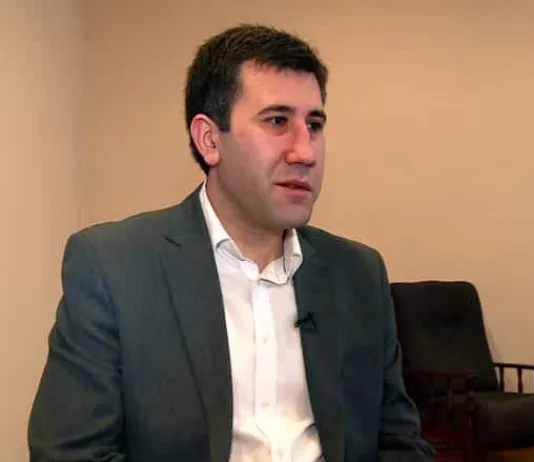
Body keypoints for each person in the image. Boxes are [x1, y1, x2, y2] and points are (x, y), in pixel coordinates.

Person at [28, 23, 434, 462]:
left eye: (314, 125)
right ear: (209, 140)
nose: (306, 152)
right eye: (277, 121)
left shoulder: (359, 273)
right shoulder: (113, 268)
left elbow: (400, 443)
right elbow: (70, 454)